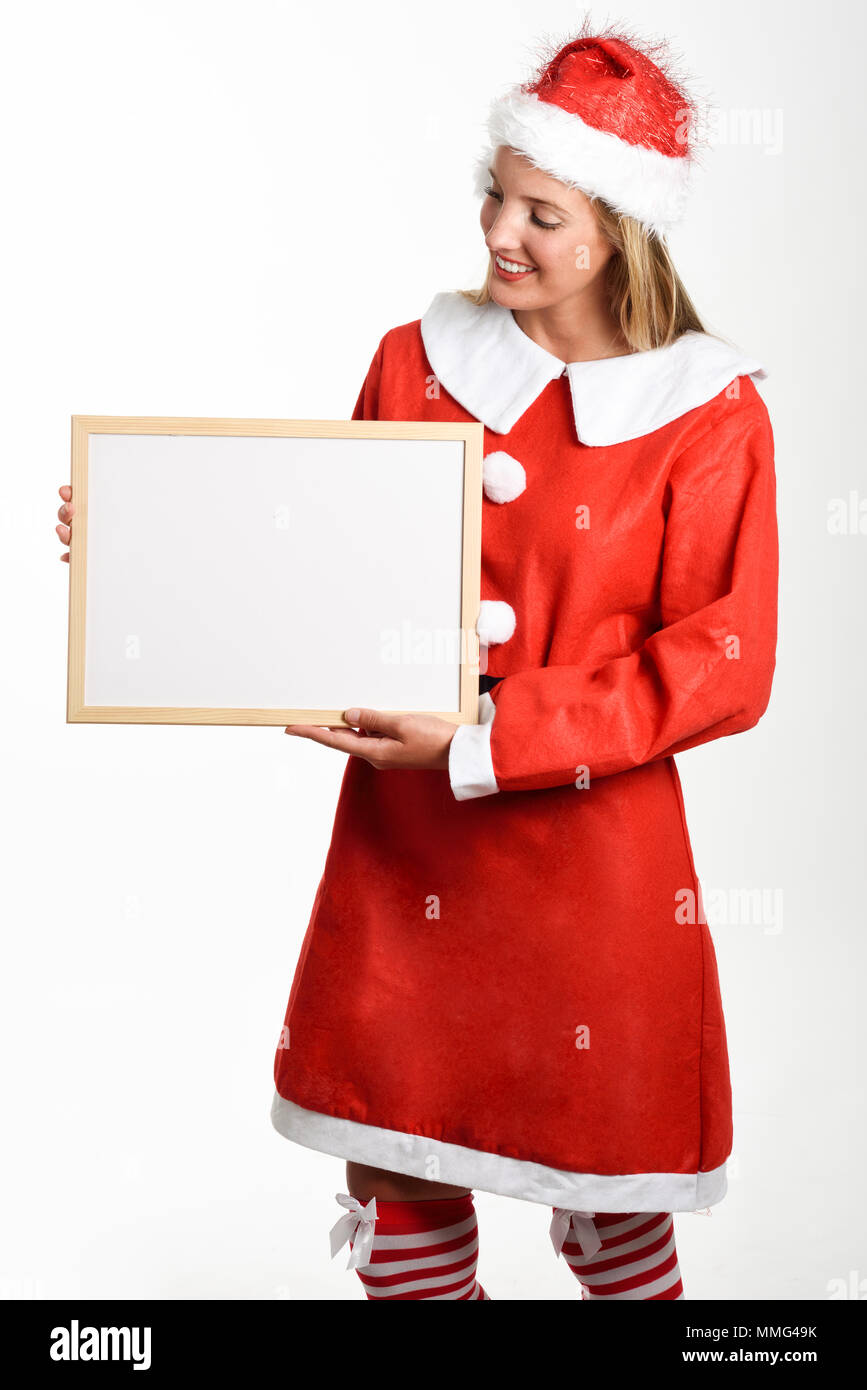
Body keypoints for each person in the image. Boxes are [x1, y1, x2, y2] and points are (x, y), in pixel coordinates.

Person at [57, 22, 779, 1301]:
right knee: (400, 1223)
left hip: (598, 878)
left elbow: (723, 665)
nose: (501, 231)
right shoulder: (417, 359)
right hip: (411, 861)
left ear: (619, 229)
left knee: (616, 1220)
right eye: (495, 195)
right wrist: (143, 546)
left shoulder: (709, 413)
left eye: (541, 212)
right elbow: (328, 565)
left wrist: (493, 732)